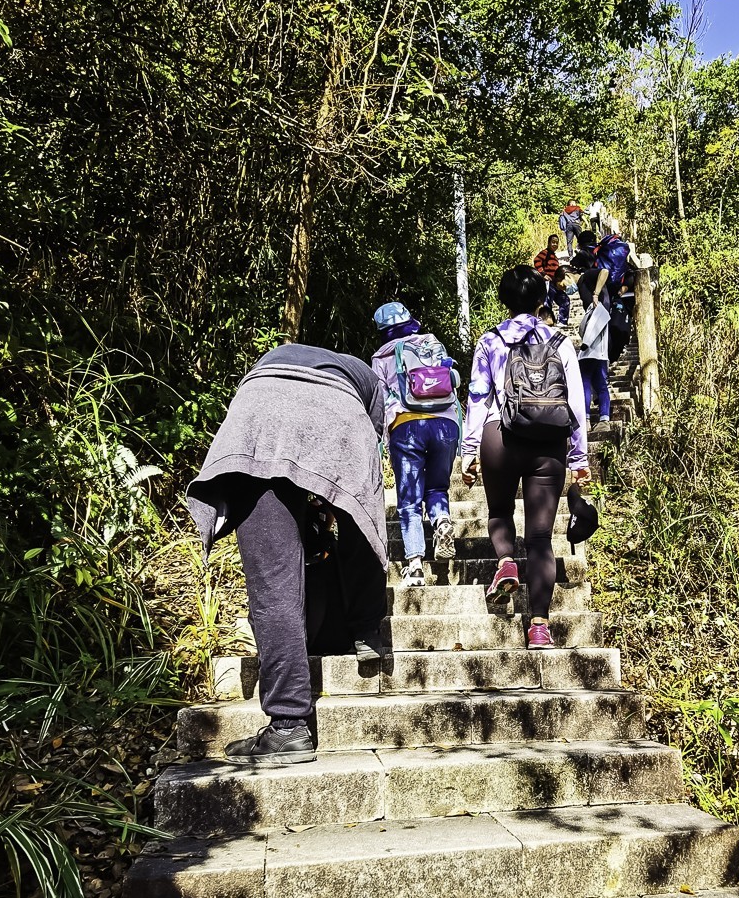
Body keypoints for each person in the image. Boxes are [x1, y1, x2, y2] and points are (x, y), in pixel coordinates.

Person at [186, 342, 387, 765]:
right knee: (360, 525)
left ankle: (288, 727)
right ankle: (367, 631)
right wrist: (332, 500)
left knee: (273, 582)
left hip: (257, 415)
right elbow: (367, 448)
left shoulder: (273, 359)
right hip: (337, 414)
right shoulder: (364, 375)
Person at [461, 266, 590, 649]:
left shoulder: (490, 341)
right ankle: (539, 627)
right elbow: (576, 403)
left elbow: (477, 398)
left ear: (504, 301)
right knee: (540, 538)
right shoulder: (560, 341)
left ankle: (504, 562)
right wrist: (579, 457)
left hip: (499, 434)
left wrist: (469, 452)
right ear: (540, 301)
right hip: (548, 441)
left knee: (500, 512)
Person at [370, 301, 461, 589]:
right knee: (436, 488)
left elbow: (380, 402)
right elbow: (452, 378)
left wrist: (380, 443)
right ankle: (441, 520)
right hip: (445, 423)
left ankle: (415, 566)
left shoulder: (382, 356)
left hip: (406, 425)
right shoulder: (431, 342)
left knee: (409, 501)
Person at [578, 287, 612, 429]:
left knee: (585, 384)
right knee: (601, 386)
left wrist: (585, 344)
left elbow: (585, 330)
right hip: (602, 355)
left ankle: (586, 419)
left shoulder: (597, 308)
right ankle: (604, 419)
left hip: (589, 353)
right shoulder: (601, 310)